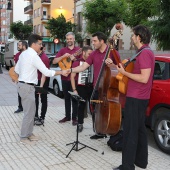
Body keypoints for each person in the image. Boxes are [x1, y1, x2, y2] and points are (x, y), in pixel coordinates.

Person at [113, 25, 155, 170]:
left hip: (137, 98)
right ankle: (141, 161)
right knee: (140, 130)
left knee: (130, 132)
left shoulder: (145, 54)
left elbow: (144, 78)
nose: (131, 37)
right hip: (138, 97)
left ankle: (127, 166)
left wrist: (124, 74)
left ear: (139, 37)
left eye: (133, 35)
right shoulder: (141, 52)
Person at [15, 34, 68, 145]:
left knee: (31, 112)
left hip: (24, 85)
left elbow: (16, 69)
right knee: (29, 114)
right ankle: (24, 137)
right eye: (40, 44)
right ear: (34, 44)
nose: (41, 46)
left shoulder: (23, 54)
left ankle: (29, 133)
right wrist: (62, 72)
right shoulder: (33, 56)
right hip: (27, 86)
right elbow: (47, 72)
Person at [66, 32, 120, 139]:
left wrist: (112, 64)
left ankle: (109, 129)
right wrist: (70, 70)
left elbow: (121, 68)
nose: (93, 43)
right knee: (97, 110)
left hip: (108, 87)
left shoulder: (113, 52)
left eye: (95, 41)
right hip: (96, 87)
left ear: (102, 41)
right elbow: (83, 67)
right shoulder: (94, 54)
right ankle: (99, 131)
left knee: (106, 110)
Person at [53, 32, 81, 126]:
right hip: (64, 78)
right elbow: (54, 61)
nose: (69, 40)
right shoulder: (62, 50)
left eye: (71, 38)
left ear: (74, 39)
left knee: (75, 98)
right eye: (68, 39)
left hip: (75, 79)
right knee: (66, 98)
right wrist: (63, 56)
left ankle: (74, 118)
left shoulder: (79, 50)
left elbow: (84, 62)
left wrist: (75, 60)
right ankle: (67, 116)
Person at [70, 45, 93, 132]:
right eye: (89, 54)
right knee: (81, 106)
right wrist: (74, 89)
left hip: (91, 87)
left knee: (93, 106)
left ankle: (96, 126)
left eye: (91, 54)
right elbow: (72, 77)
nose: (90, 56)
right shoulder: (77, 62)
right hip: (81, 87)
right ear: (83, 53)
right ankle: (80, 124)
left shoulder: (92, 62)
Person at [34, 43, 50, 126]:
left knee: (43, 99)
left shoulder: (44, 58)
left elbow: (44, 74)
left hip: (43, 81)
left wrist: (41, 87)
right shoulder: (36, 56)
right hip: (36, 80)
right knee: (35, 99)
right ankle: (35, 116)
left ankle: (42, 117)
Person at [14, 40, 28, 113]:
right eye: (18, 45)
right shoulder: (17, 55)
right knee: (19, 92)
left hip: (28, 78)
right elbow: (16, 66)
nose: (18, 46)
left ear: (24, 46)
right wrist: (15, 77)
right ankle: (20, 107)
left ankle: (27, 108)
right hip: (20, 77)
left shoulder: (30, 54)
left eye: (19, 45)